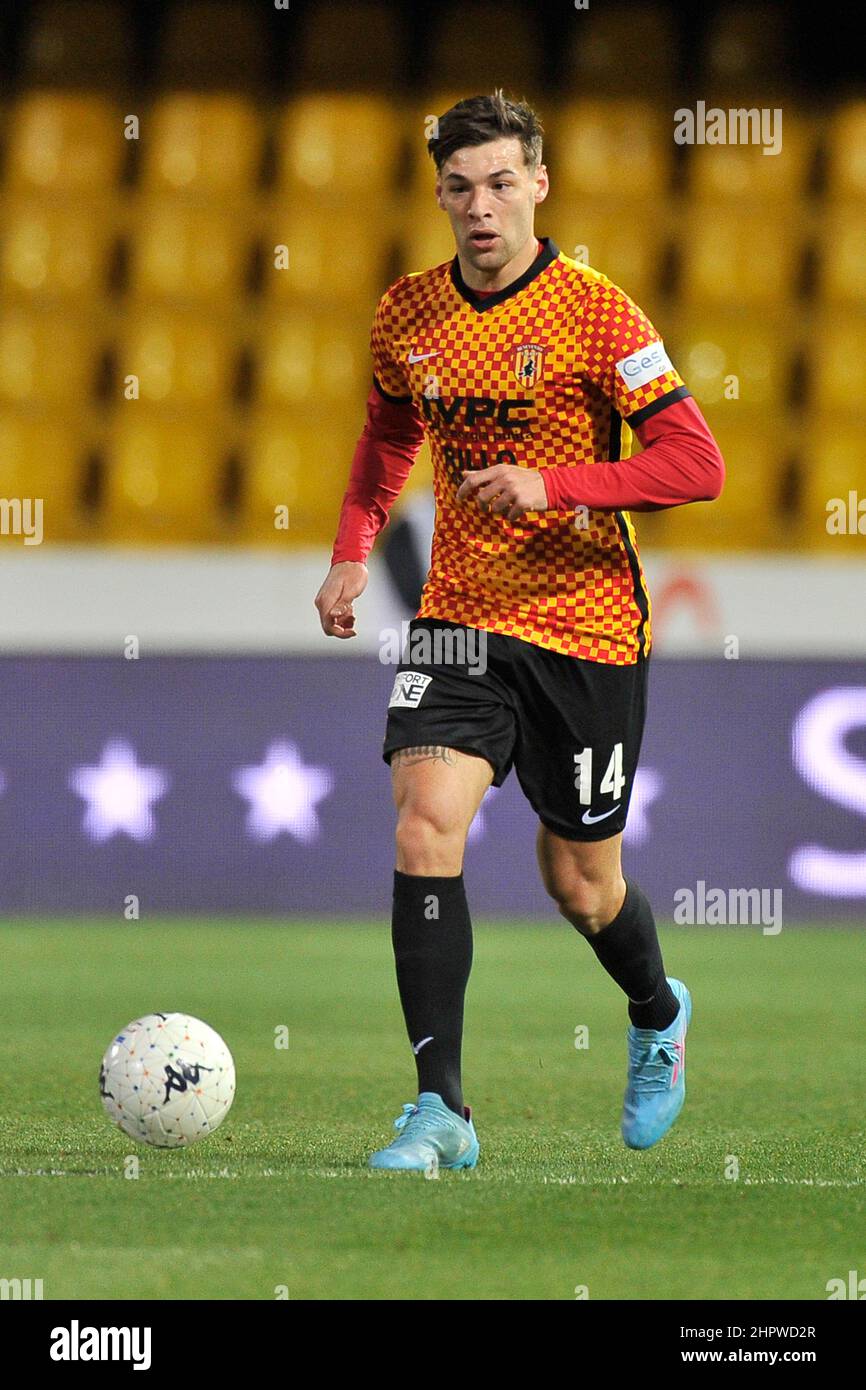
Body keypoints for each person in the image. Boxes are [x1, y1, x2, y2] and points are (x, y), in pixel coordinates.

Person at [315, 91, 724, 1171]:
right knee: (421, 825)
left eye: (500, 183)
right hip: (457, 617)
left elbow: (695, 464)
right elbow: (384, 436)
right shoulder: (408, 311)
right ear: (439, 193)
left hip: (584, 628)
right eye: (459, 187)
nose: (480, 206)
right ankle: (440, 1108)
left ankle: (652, 1008)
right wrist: (353, 547)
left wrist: (555, 483)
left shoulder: (596, 313)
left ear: (538, 184)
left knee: (578, 883)